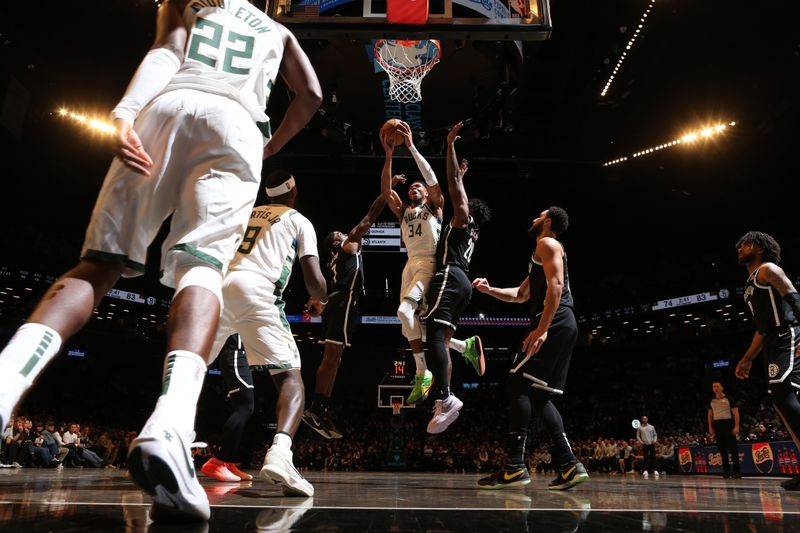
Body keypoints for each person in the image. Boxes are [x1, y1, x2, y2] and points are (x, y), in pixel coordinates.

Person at [0, 0, 321, 522]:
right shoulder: (278, 30)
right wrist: (270, 144)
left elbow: (167, 50)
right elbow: (311, 96)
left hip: (166, 107)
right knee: (202, 272)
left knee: (98, 266)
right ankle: (170, 425)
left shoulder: (191, 1)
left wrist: (126, 111)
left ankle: (6, 381)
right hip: (237, 127)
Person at [202, 170, 327, 497]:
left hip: (220, 287)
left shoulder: (248, 213)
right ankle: (281, 453)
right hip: (257, 292)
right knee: (289, 376)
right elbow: (314, 280)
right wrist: (321, 298)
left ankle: (163, 432)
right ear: (294, 191)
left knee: (193, 365)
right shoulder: (299, 219)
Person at [474, 206, 588, 490]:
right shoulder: (542, 251)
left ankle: (514, 466)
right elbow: (520, 295)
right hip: (561, 322)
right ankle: (569, 465)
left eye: (539, 214)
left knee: (516, 384)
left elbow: (557, 286)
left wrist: (543, 329)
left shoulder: (547, 243)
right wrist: (490, 291)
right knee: (539, 396)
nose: (534, 217)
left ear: (547, 221)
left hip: (554, 320)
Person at [379, 121, 485, 406]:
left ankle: (423, 371)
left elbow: (435, 180)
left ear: (426, 193)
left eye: (418, 186)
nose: (414, 187)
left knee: (404, 311)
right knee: (406, 323)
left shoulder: (434, 206)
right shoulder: (404, 211)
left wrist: (411, 146)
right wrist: (388, 154)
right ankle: (462, 346)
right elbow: (386, 192)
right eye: (411, 186)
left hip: (429, 264)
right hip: (409, 265)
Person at [302, 180, 397, 439]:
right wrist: (385, 194)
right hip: (344, 300)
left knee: (335, 356)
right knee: (332, 356)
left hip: (339, 302)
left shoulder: (336, 258)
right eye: (342, 234)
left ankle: (320, 408)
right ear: (337, 242)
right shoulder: (347, 247)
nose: (348, 233)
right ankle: (316, 408)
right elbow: (369, 217)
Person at [422, 122, 491, 434]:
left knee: (433, 336)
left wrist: (449, 143)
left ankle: (446, 397)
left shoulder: (463, 218)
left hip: (449, 276)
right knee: (443, 339)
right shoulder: (470, 228)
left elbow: (451, 183)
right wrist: (462, 179)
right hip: (462, 283)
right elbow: (456, 189)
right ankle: (448, 387)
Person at [734, 231, 800, 491]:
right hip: (772, 339)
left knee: (783, 395)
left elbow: (794, 296)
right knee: (782, 400)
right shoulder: (750, 284)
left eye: (746, 243)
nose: (740, 247)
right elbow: (762, 329)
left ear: (760, 248)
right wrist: (747, 358)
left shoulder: (768, 269)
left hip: (787, 334)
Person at [708, 381, 741, 479]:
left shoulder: (729, 398)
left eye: (717, 386)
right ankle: (726, 471)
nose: (715, 388)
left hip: (728, 424)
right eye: (714, 387)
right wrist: (710, 427)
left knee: (733, 449)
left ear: (722, 387)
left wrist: (736, 426)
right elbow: (710, 414)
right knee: (722, 450)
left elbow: (736, 413)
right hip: (717, 425)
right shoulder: (711, 400)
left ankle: (736, 472)